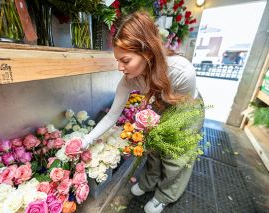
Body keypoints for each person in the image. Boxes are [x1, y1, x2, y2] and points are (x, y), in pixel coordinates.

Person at [82, 11, 204, 213]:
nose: (120, 67)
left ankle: (165, 195)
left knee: (175, 155)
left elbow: (181, 108)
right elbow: (113, 115)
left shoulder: (182, 72)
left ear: (147, 53)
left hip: (184, 108)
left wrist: (160, 122)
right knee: (153, 148)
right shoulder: (129, 79)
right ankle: (148, 182)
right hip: (160, 105)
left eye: (126, 60)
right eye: (118, 60)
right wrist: (86, 140)